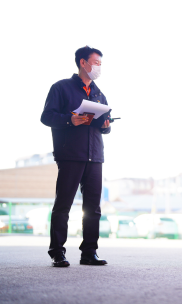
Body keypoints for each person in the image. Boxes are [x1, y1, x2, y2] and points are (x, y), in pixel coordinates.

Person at [40, 46, 111, 267]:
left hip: (95, 156)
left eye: (100, 63)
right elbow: (46, 116)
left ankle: (89, 252)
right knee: (63, 205)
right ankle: (57, 252)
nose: (99, 67)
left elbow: (104, 128)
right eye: (96, 62)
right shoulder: (61, 88)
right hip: (70, 154)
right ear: (83, 62)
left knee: (93, 208)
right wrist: (70, 120)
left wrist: (106, 125)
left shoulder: (99, 94)